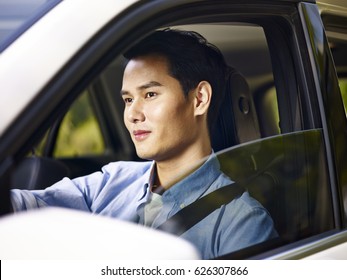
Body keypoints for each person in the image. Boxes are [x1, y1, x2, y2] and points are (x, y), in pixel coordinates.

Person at [10, 29, 277, 259]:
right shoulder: (111, 182)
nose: (133, 114)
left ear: (199, 99)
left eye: (150, 94)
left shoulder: (242, 222)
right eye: (128, 100)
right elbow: (23, 207)